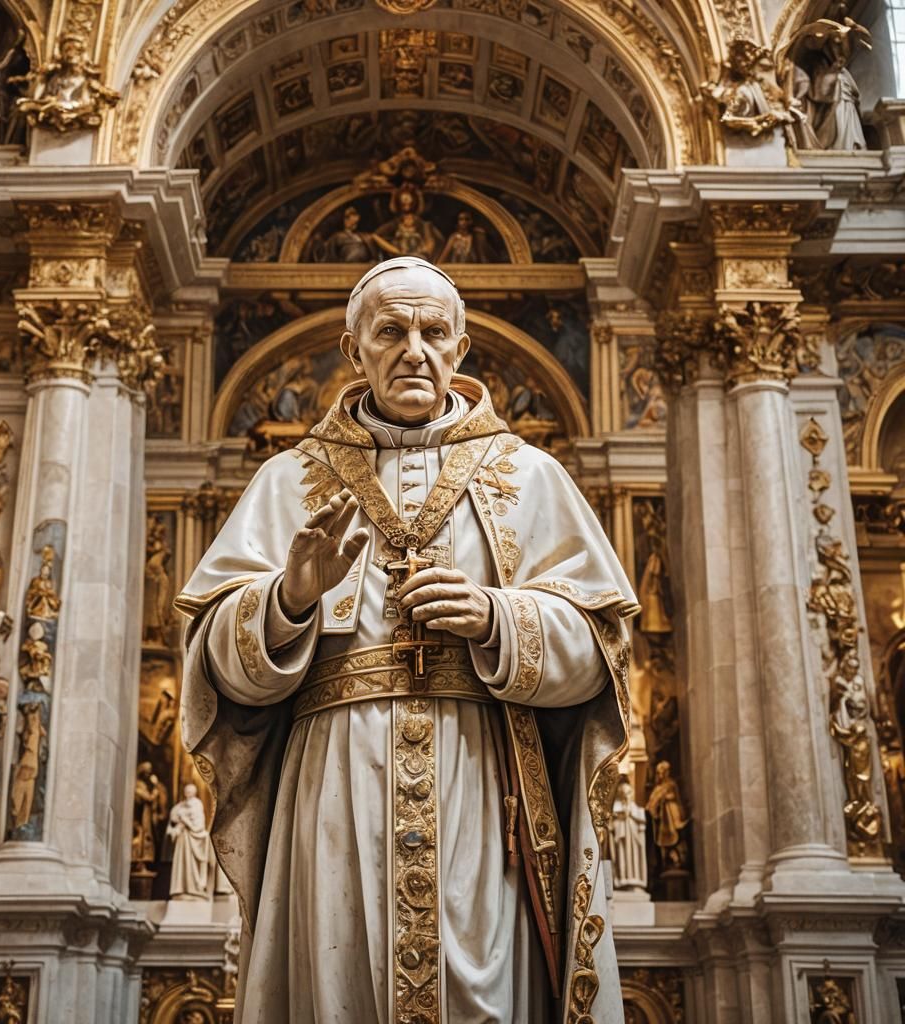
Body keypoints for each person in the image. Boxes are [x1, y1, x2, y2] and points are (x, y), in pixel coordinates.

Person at [178, 256, 637, 1022]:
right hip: (332, 786)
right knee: (337, 989)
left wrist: (496, 616)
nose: (414, 349)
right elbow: (217, 669)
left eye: (433, 332)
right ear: (354, 352)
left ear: (460, 350)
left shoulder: (530, 478)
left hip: (482, 785)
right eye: (390, 331)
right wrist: (288, 598)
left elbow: (601, 656)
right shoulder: (289, 482)